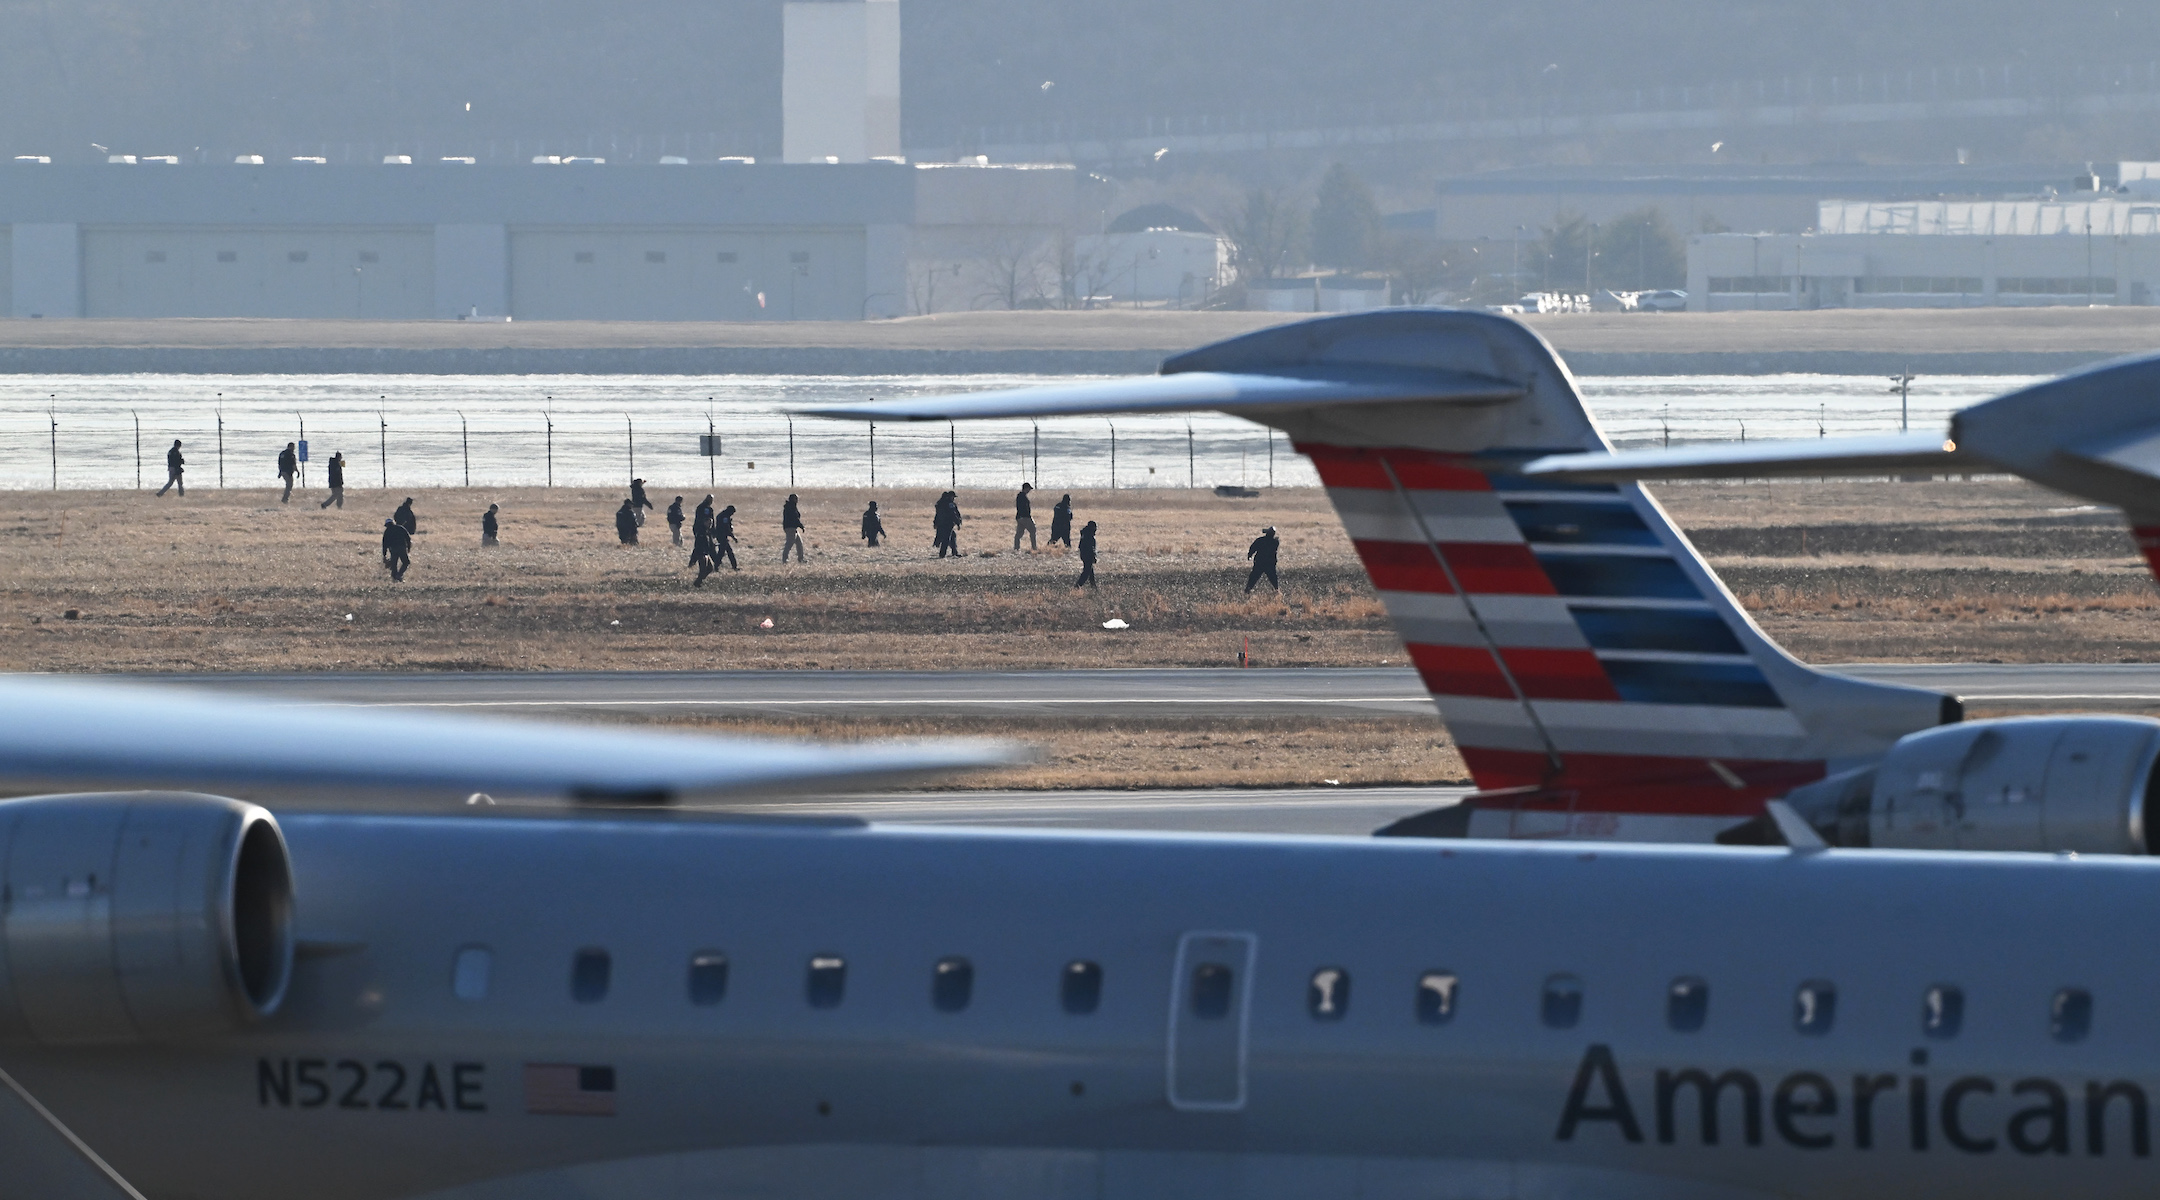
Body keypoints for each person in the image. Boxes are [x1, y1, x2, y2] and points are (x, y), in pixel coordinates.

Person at [1245, 525, 1281, 593]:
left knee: (1253, 577)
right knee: (1273, 578)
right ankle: (1277, 591)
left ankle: (1248, 589)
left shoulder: (1260, 540)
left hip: (1260, 563)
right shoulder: (1275, 542)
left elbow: (1253, 548)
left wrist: (1250, 555)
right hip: (1269, 564)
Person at [933, 491, 963, 558]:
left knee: (952, 536)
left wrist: (935, 523)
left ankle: (954, 552)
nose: (953, 499)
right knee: (946, 539)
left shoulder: (940, 504)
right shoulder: (950, 504)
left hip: (941, 523)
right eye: (953, 497)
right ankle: (942, 554)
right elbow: (953, 514)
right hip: (948, 524)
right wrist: (958, 522)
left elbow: (937, 515)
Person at [780, 493, 807, 562]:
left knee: (799, 543)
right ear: (793, 499)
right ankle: (784, 560)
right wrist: (801, 526)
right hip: (790, 528)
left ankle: (801, 559)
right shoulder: (790, 507)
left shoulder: (791, 506)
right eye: (796, 498)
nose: (797, 500)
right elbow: (795, 518)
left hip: (793, 528)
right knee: (789, 544)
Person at [713, 504, 739, 570]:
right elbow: (726, 528)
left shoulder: (722, 515)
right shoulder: (725, 517)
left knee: (726, 551)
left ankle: (733, 566)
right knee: (722, 552)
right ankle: (716, 566)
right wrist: (733, 537)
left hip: (720, 535)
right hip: (722, 536)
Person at [1013, 482, 1037, 552]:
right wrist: (1028, 516)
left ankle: (1016, 548)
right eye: (1029, 489)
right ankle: (1034, 547)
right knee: (1033, 530)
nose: (1029, 490)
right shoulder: (1022, 497)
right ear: (1026, 488)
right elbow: (1024, 508)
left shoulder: (1020, 496)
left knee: (1019, 534)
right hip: (1025, 517)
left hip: (1019, 517)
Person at [1074, 520, 1098, 588]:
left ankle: (1093, 586)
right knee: (1086, 573)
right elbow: (1090, 547)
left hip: (1084, 555)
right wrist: (1093, 556)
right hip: (1088, 556)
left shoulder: (1085, 534)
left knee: (1090, 572)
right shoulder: (1089, 535)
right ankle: (1077, 586)